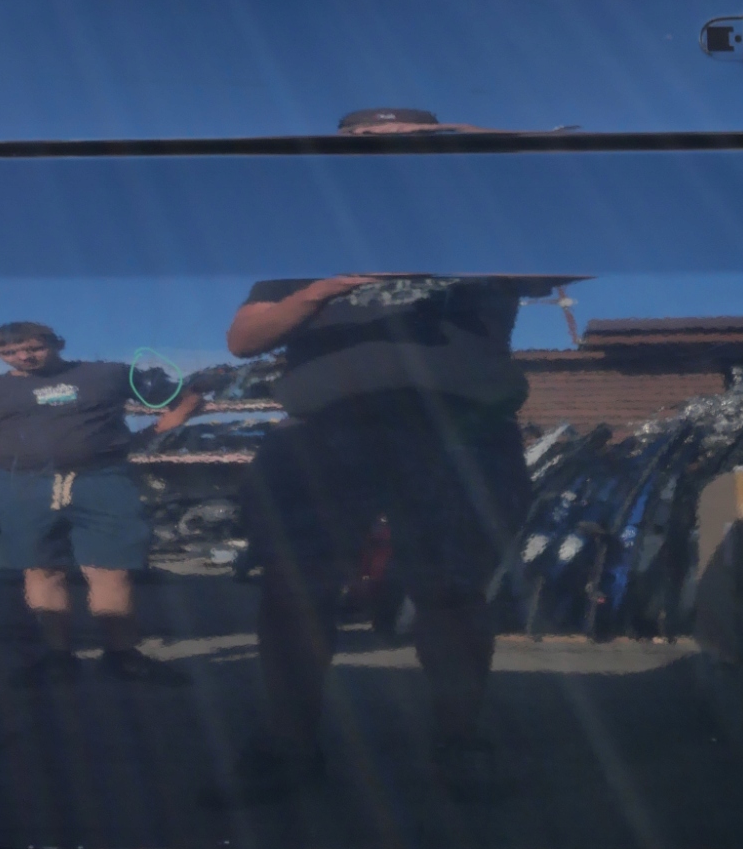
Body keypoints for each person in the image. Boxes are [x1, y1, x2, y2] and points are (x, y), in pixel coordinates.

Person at [227, 271, 537, 797]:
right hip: (323, 431)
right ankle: (289, 746)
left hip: (464, 432)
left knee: (453, 590)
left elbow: (554, 263)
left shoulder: (473, 249)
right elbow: (244, 340)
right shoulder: (303, 263)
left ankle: (459, 743)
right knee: (295, 587)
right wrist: (322, 291)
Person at [0, 321, 201, 683]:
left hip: (102, 479)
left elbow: (187, 398)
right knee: (40, 568)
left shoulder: (109, 374)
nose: (23, 357)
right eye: (9, 352)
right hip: (21, 484)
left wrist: (152, 433)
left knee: (110, 567)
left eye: (33, 348)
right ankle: (58, 658)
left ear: (57, 344)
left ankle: (122, 656)